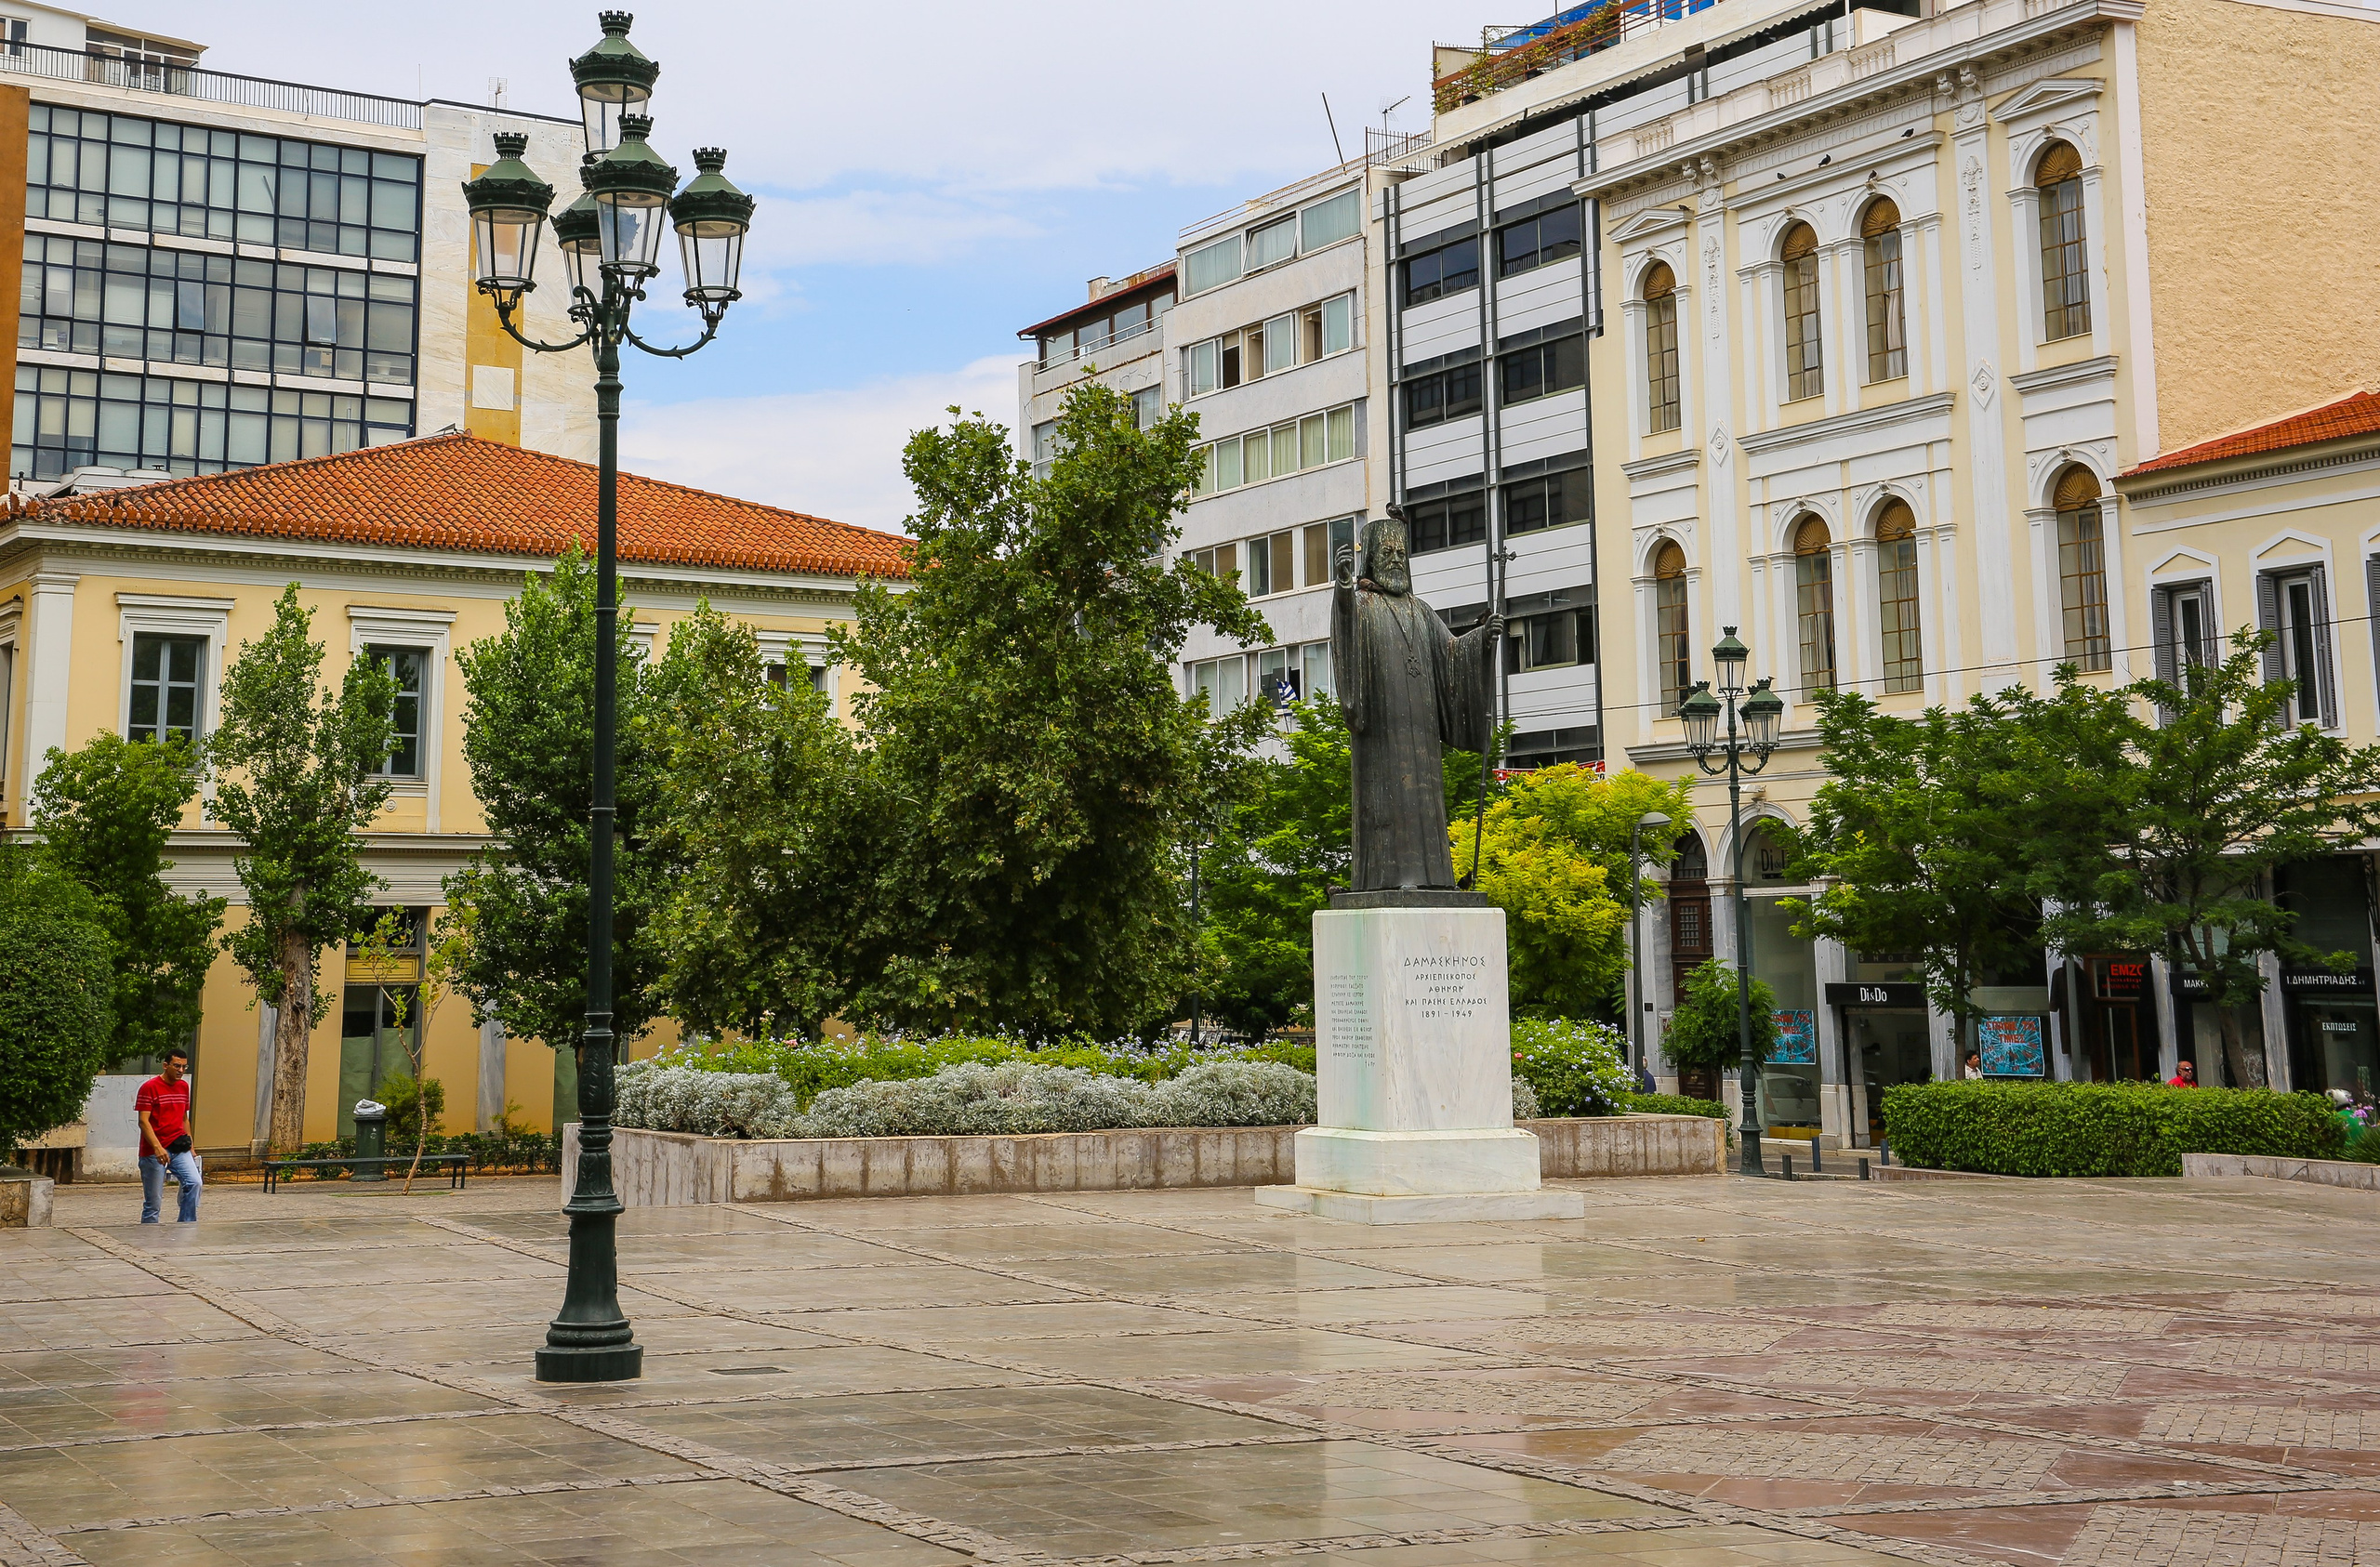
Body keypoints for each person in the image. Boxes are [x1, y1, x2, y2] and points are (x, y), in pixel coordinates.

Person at [136, 1047, 201, 1224]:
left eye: (184, 1067)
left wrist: (192, 1147)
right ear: (166, 1065)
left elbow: (184, 1118)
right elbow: (143, 1121)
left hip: (179, 1146)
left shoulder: (183, 1087)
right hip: (153, 1151)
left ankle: (186, 1226)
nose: (181, 1071)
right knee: (153, 1203)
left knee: (194, 1183)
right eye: (177, 1066)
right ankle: (148, 1240)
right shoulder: (149, 1088)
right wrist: (157, 1147)